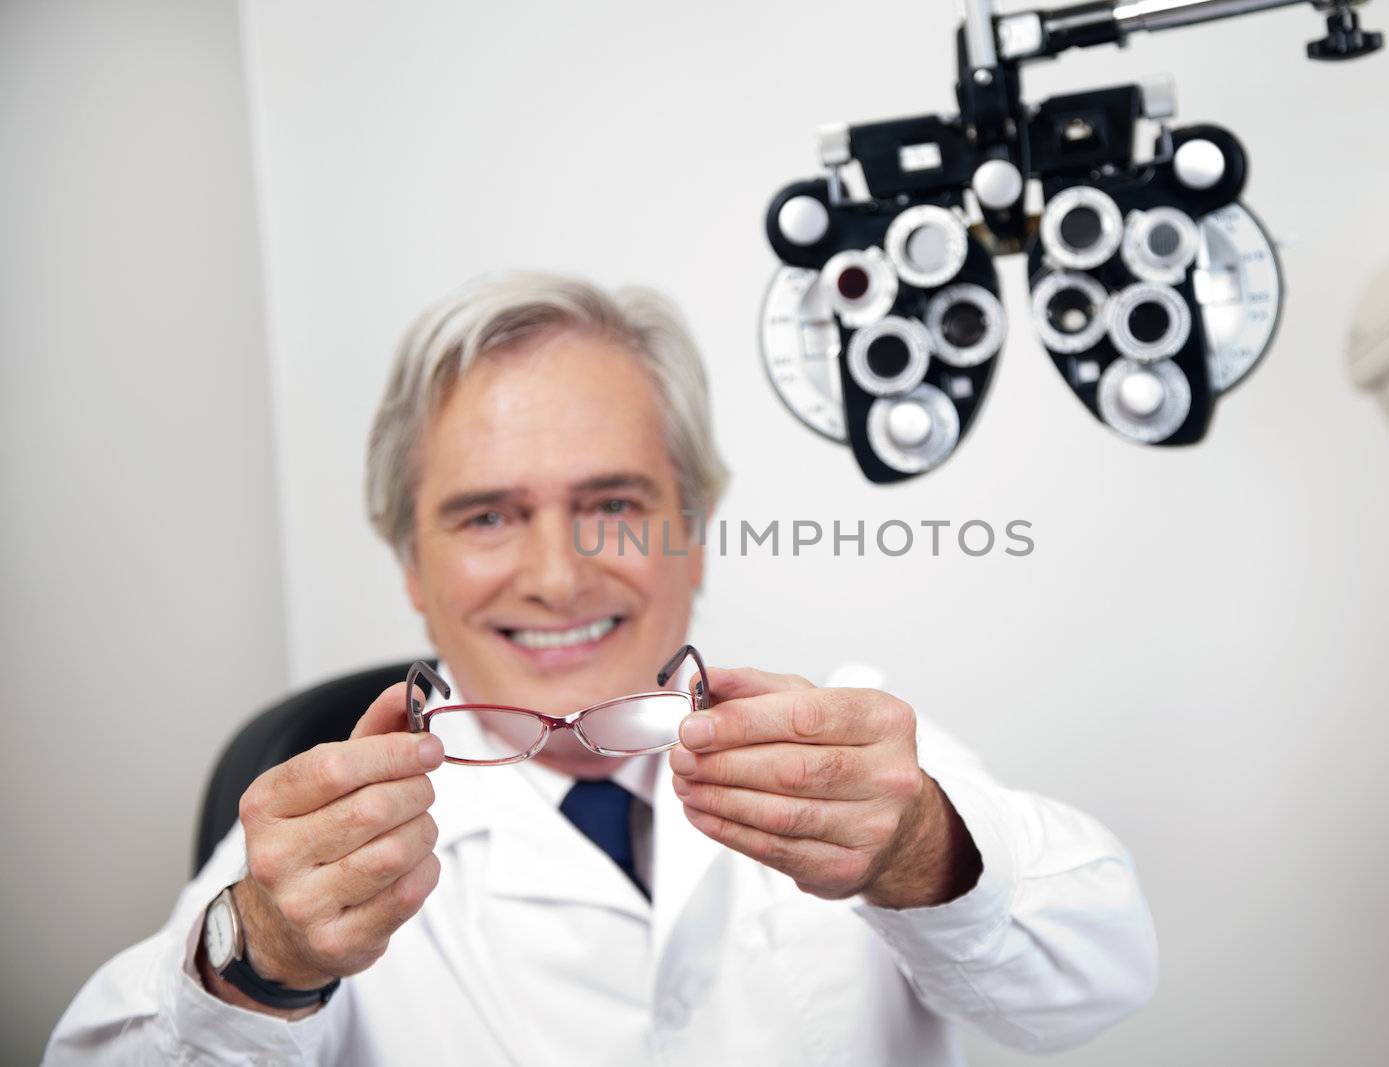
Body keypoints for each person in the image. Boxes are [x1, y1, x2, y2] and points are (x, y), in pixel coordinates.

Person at [46, 272, 1157, 1065]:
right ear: (410, 569)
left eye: (613, 505)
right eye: (486, 515)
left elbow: (1097, 975)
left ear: (695, 526)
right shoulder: (328, 832)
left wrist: (922, 848)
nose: (559, 574)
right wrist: (265, 958)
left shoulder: (850, 760)